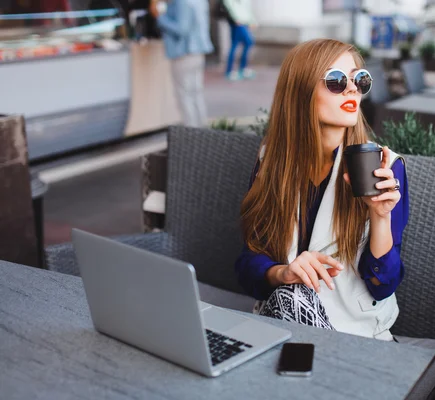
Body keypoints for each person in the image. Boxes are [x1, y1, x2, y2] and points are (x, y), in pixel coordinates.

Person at [235, 39, 410, 341]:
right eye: (336, 81)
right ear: (300, 92)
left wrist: (381, 217)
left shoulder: (383, 166)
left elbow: (383, 285)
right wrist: (283, 273)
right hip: (282, 321)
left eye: (359, 79)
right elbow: (250, 261)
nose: (353, 89)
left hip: (353, 333)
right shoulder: (272, 161)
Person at [150, 0, 214, 127]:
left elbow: (181, 29)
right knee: (196, 94)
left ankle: (192, 133)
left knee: (185, 97)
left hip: (183, 54)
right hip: (198, 53)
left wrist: (159, 16)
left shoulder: (182, 2)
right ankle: (202, 131)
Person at [221, 0, 256, 81]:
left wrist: (252, 21)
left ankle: (241, 68)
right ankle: (231, 70)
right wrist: (235, 19)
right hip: (237, 23)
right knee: (246, 42)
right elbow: (229, 6)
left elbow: (246, 8)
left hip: (244, 22)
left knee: (240, 44)